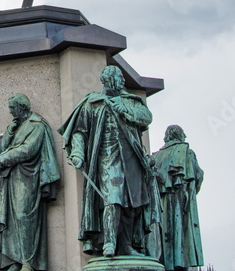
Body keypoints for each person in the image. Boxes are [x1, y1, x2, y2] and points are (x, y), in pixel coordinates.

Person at [59, 65, 160, 259]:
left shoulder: (130, 101)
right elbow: (79, 131)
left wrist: (125, 110)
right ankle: (109, 242)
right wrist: (78, 153)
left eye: (122, 78)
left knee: (132, 203)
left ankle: (127, 245)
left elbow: (146, 118)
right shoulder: (93, 102)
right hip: (107, 157)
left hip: (132, 158)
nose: (121, 82)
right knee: (112, 199)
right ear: (108, 81)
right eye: (118, 79)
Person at [0, 94, 61, 271]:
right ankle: (14, 260)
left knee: (25, 218)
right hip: (11, 178)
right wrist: (8, 134)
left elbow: (29, 149)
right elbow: (3, 148)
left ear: (22, 107)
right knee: (9, 219)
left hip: (28, 178)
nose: (10, 111)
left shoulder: (37, 124)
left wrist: (7, 157)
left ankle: (28, 262)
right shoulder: (15, 126)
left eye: (12, 108)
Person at [152, 125, 204, 271]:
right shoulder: (186, 152)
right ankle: (181, 269)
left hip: (161, 200)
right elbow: (197, 175)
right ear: (179, 135)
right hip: (182, 196)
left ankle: (165, 265)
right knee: (182, 229)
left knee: (165, 231)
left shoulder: (156, 156)